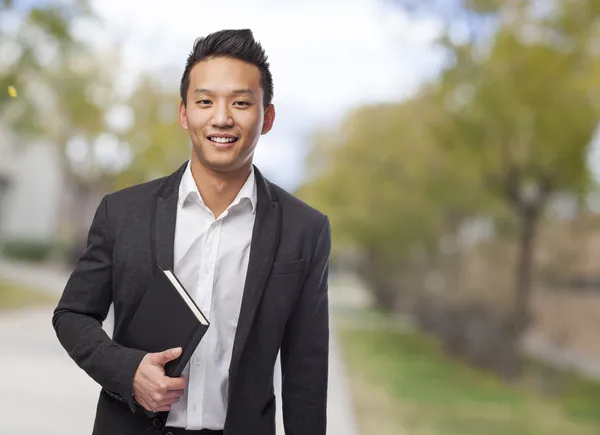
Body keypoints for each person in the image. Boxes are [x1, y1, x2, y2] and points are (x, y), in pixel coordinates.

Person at [52, 29, 331, 435]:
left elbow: (306, 368)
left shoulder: (305, 229)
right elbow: (72, 315)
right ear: (184, 113)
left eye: (240, 102)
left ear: (266, 117)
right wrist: (127, 371)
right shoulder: (124, 213)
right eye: (205, 101)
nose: (221, 118)